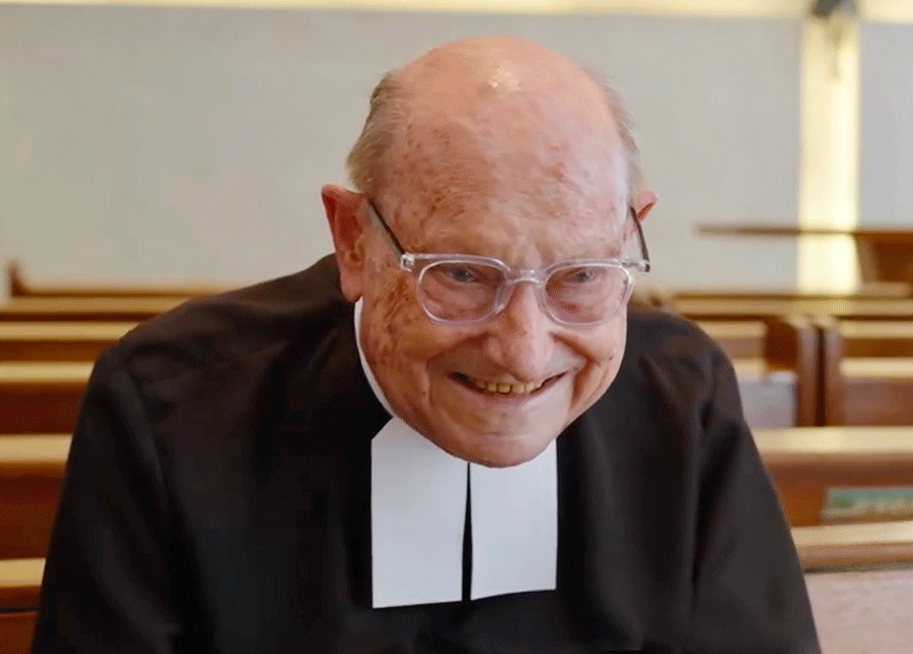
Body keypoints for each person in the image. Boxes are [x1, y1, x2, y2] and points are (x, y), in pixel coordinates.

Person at [32, 37, 820, 653]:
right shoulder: (171, 407)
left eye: (579, 275)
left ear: (631, 229)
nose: (522, 352)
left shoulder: (679, 396)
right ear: (353, 242)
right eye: (462, 275)